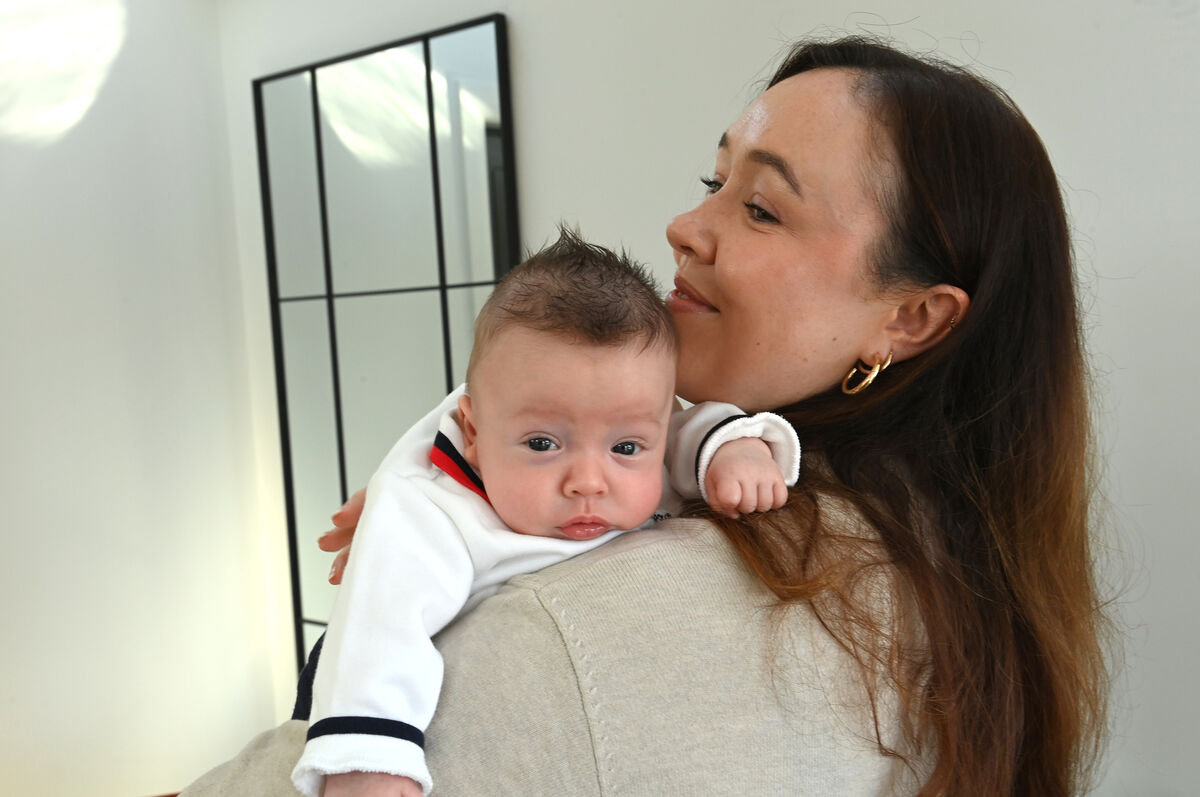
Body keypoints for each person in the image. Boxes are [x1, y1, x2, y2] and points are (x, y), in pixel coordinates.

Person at [182, 36, 1108, 797]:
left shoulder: (578, 629)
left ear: (910, 318)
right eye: (712, 181)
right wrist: (442, 493)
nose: (684, 226)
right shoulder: (959, 571)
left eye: (760, 207)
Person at [292, 230, 801, 797]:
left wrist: (734, 449)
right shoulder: (429, 507)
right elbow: (382, 624)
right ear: (474, 435)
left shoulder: (642, 438)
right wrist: (370, 760)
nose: (589, 481)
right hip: (361, 683)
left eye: (626, 447)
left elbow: (685, 429)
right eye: (542, 444)